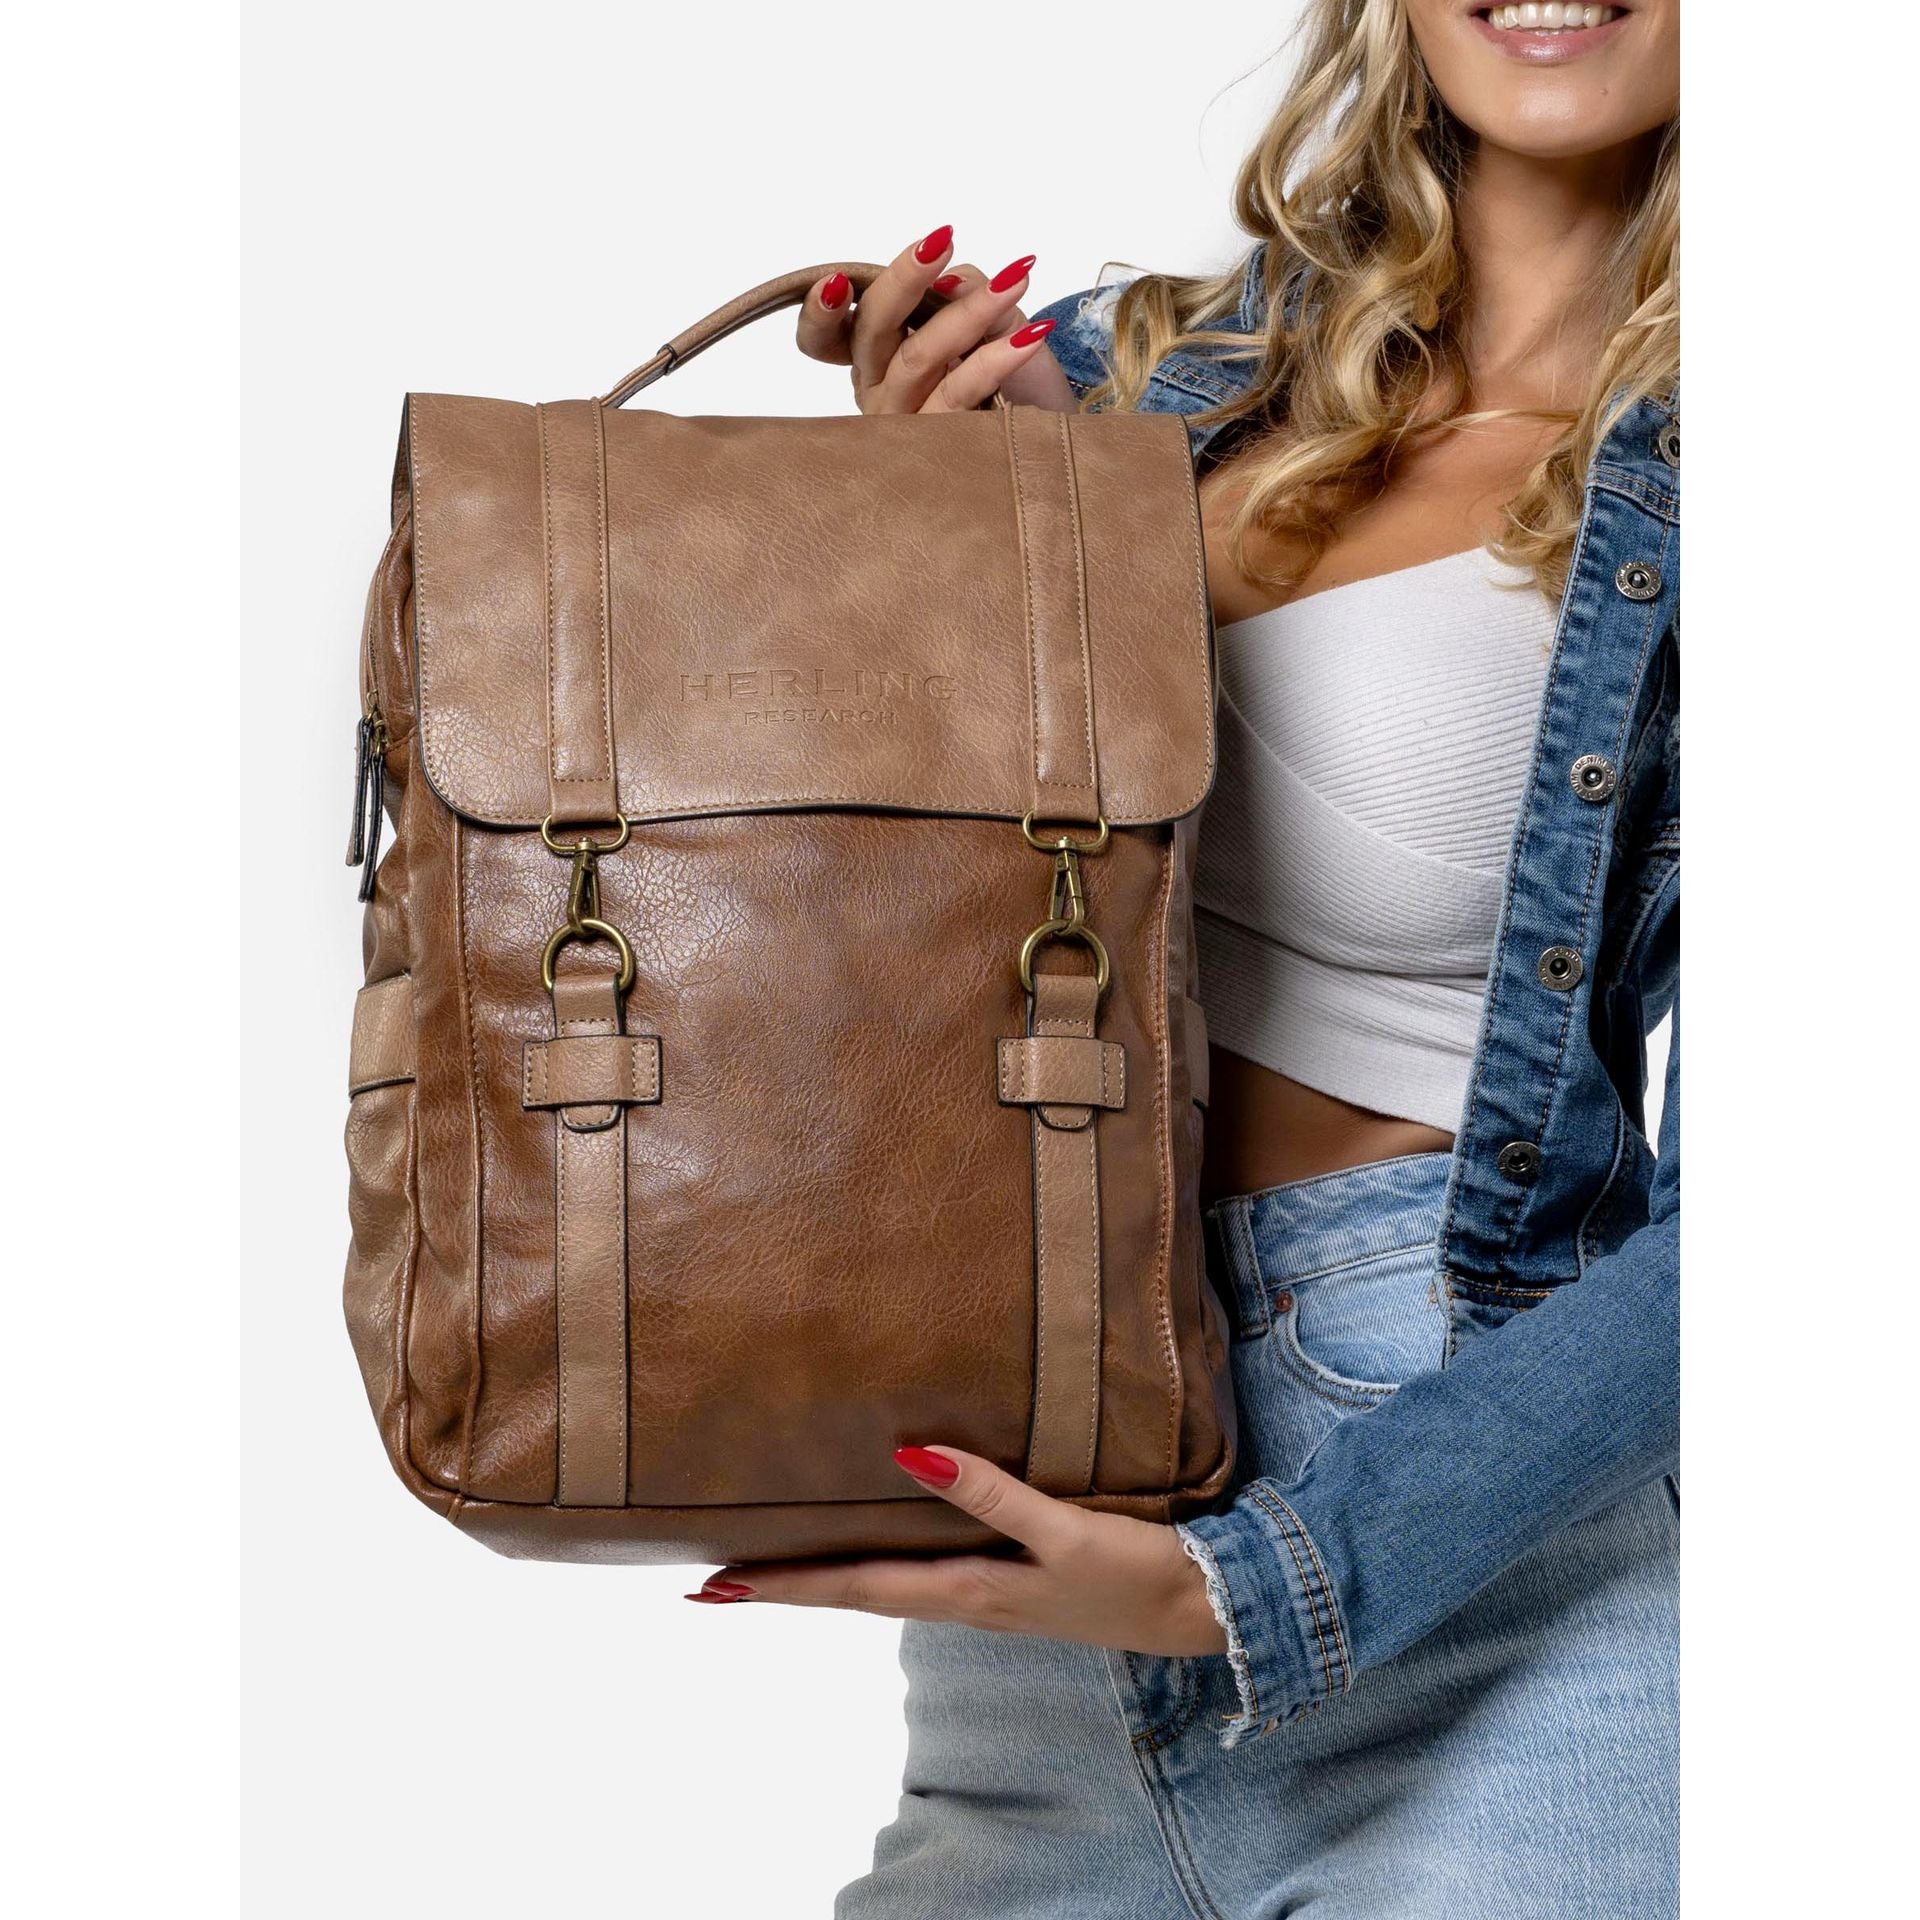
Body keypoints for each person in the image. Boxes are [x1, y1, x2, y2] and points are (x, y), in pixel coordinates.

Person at [693, 2, 1681, 1910]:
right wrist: (961, 547)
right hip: (1046, 1539)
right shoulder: (1128, 377)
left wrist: (1270, 1582)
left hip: (1484, 1566)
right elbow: (907, 923)